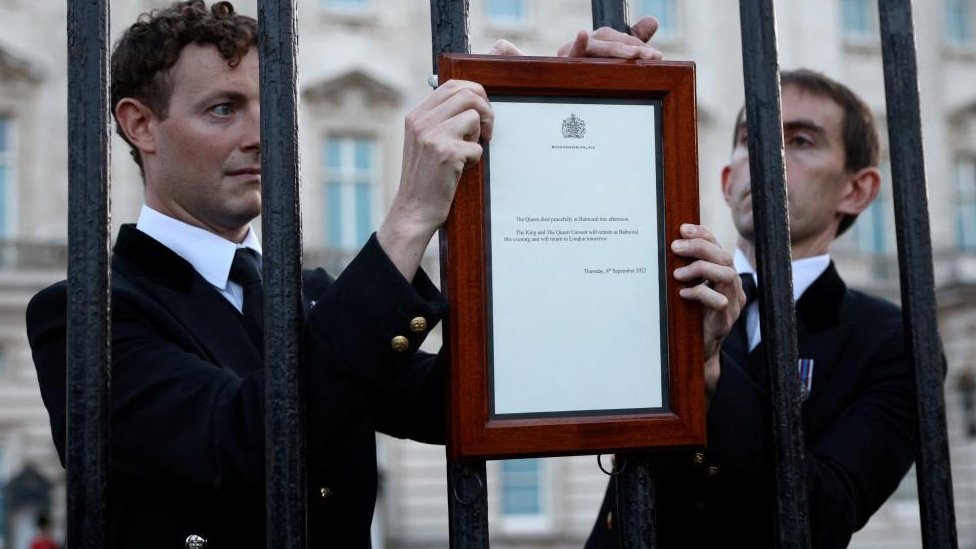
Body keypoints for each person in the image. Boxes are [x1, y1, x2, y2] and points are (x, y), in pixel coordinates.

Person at [28, 2, 734, 547]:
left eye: (267, 106)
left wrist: (554, 124)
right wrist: (407, 220)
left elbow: (474, 398)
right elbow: (248, 445)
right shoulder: (84, 313)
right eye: (223, 109)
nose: (259, 133)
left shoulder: (304, 297)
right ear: (139, 125)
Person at [586, 69, 918, 548]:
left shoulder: (891, 341)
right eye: (749, 138)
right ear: (726, 179)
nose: (765, 154)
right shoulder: (649, 292)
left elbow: (825, 515)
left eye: (800, 140)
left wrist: (712, 375)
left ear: (857, 189)